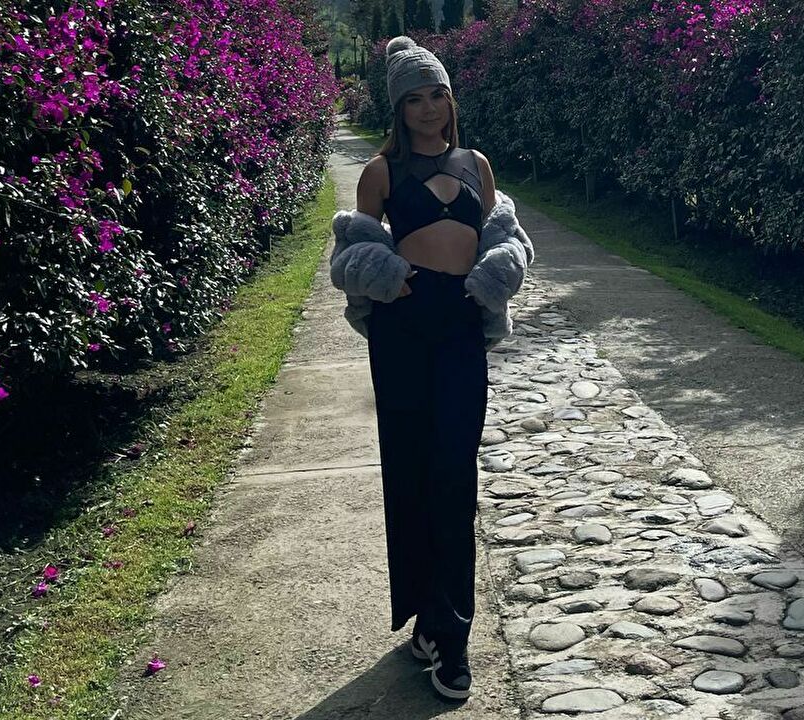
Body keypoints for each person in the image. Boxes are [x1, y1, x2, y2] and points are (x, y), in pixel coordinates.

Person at [328, 35, 534, 702]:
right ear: (398, 107)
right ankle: (427, 616)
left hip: (460, 322)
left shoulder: (476, 163)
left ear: (450, 98)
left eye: (436, 94)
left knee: (454, 472)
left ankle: (452, 635)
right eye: (413, 98)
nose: (427, 108)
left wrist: (501, 270)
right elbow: (353, 248)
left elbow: (502, 235)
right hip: (404, 325)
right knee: (410, 468)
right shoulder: (381, 171)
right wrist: (384, 273)